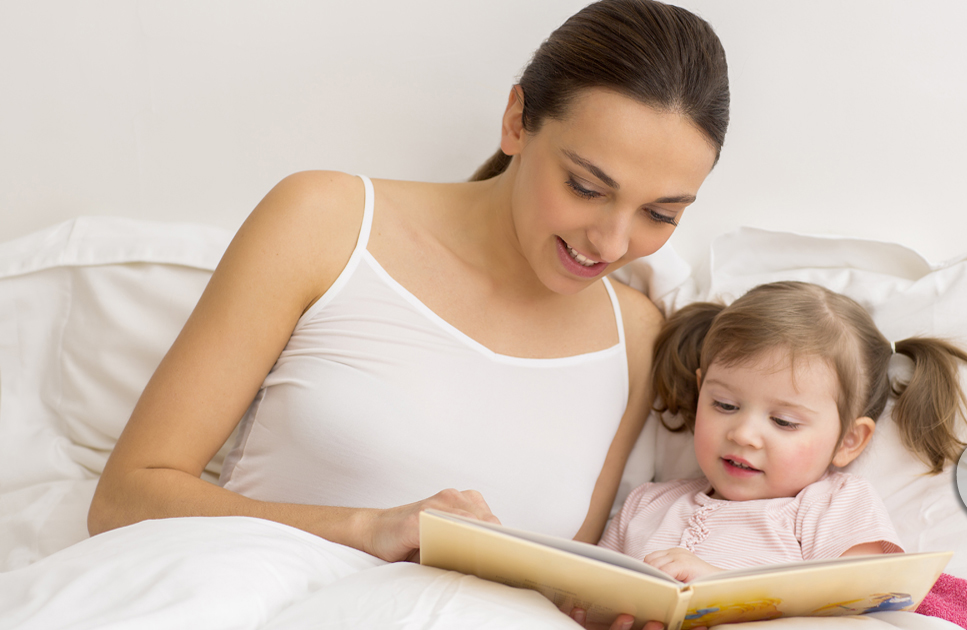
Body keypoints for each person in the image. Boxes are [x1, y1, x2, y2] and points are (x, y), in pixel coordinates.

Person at [89, 0, 727, 602]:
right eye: (586, 186)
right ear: (516, 121)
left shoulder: (637, 335)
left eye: (659, 213)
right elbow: (125, 499)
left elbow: (563, 580)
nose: (612, 242)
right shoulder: (325, 222)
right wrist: (368, 529)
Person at [597, 280, 967, 582]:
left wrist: (719, 586)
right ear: (700, 391)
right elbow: (584, 590)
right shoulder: (644, 505)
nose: (743, 434)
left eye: (784, 422)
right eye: (724, 405)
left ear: (848, 441)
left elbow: (864, 597)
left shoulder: (830, 506)